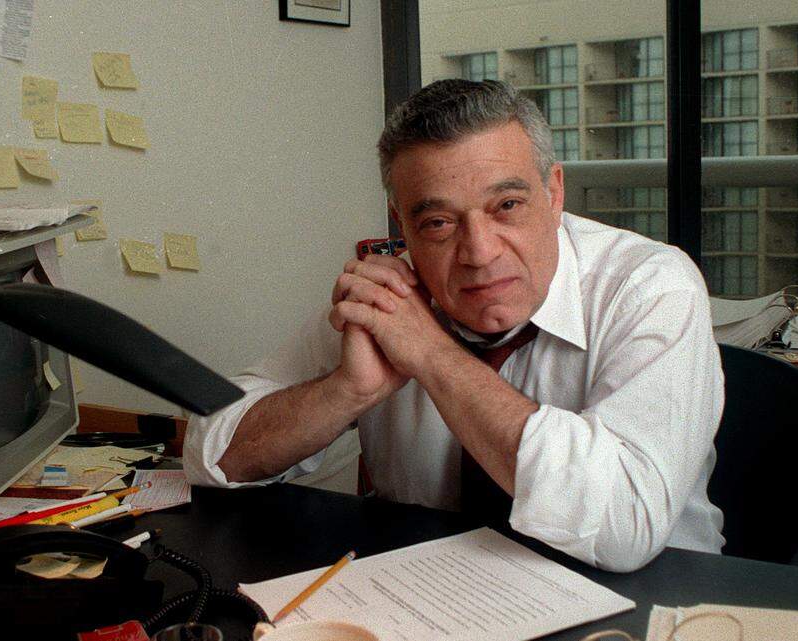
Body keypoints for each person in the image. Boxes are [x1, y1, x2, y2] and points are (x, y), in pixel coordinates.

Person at [184, 79, 724, 573]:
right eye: (439, 223)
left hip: (653, 599)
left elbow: (622, 524)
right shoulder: (394, 294)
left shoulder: (650, 284)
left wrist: (434, 356)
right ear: (403, 227)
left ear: (554, 192)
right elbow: (211, 455)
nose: (480, 253)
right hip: (434, 593)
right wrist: (346, 391)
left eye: (507, 205)